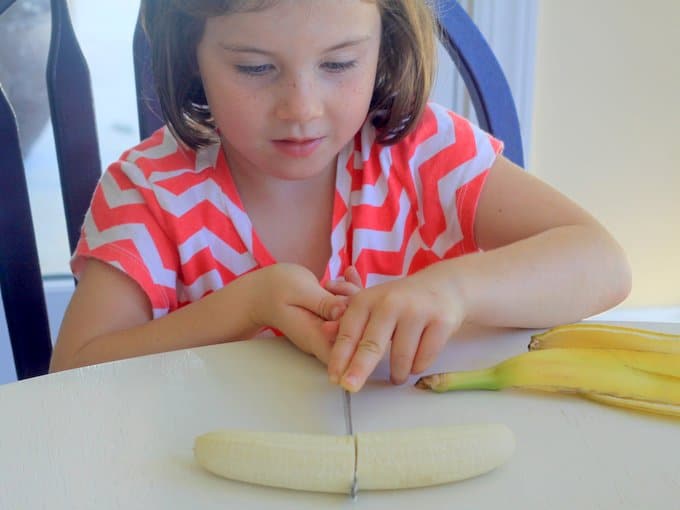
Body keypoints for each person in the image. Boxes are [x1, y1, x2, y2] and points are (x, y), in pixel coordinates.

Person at [49, 0, 631, 393]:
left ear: (387, 45)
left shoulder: (422, 153)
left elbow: (601, 263)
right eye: (254, 68)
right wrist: (246, 306)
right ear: (189, 54)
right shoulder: (149, 192)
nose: (301, 108)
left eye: (339, 63)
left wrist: (451, 290)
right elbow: (71, 377)